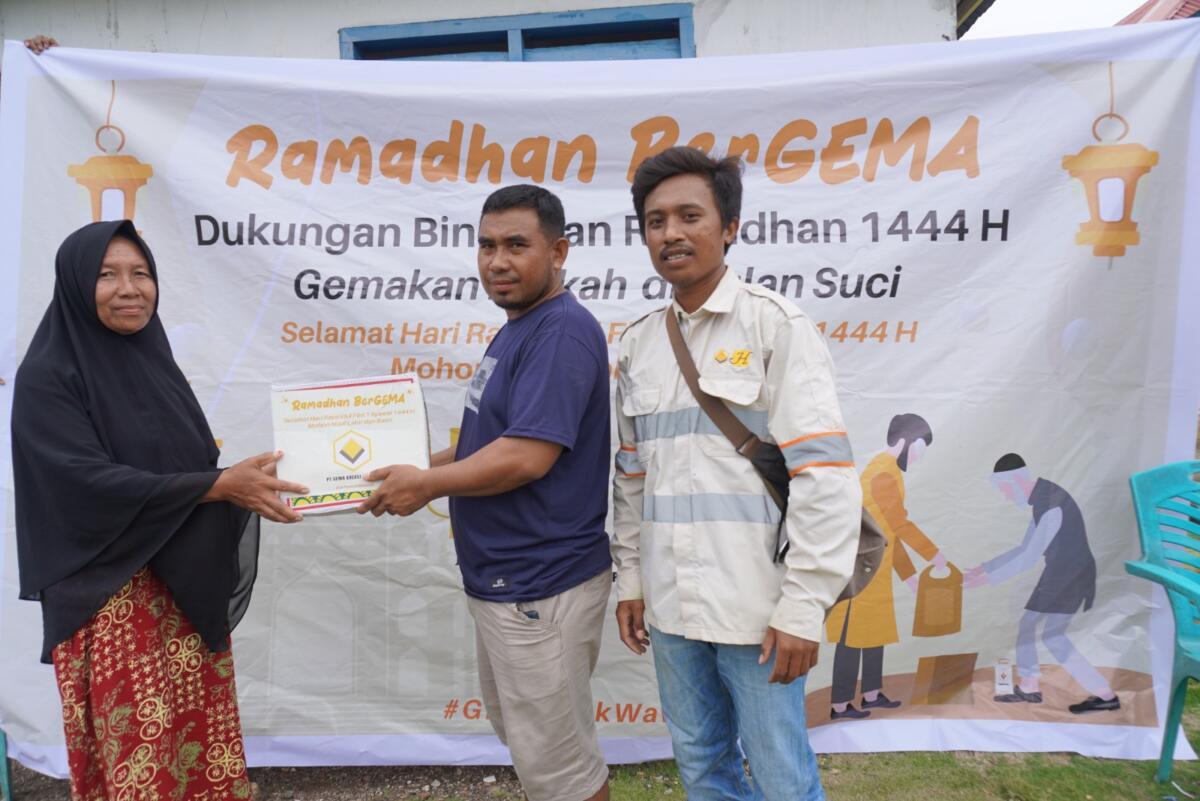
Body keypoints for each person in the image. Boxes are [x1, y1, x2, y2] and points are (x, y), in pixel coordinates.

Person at [12, 220, 306, 801]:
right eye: (107, 275)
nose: (129, 288)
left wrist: (239, 480)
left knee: (197, 743)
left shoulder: (155, 364)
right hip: (108, 597)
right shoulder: (48, 375)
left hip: (180, 589)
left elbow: (189, 466)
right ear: (75, 284)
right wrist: (217, 486)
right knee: (139, 756)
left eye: (141, 273)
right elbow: (82, 483)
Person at [611, 146, 861, 801]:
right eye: (656, 221)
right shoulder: (638, 344)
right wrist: (632, 580)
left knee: (781, 774)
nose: (671, 233)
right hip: (671, 605)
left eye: (689, 215)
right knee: (701, 764)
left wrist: (803, 608)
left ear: (729, 227)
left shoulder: (775, 326)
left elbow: (825, 476)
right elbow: (631, 479)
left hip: (758, 607)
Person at [357, 185, 612, 801]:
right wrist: (413, 467)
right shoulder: (522, 327)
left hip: (540, 585)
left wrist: (424, 484)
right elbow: (494, 442)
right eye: (487, 245)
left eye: (516, 245)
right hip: (510, 581)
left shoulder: (559, 333)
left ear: (559, 252)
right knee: (537, 749)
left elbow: (525, 457)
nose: (497, 261)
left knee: (562, 769)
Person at [964, 453, 1119, 713]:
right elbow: (1025, 547)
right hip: (1060, 573)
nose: (1005, 496)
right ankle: (1029, 687)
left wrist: (986, 580)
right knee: (1029, 625)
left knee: (1053, 637)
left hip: (1070, 576)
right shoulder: (1043, 500)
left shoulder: (1051, 504)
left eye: (1004, 489)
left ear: (1016, 480)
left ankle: (1105, 695)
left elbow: (1029, 557)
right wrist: (984, 568)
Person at [825, 413, 948, 720]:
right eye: (919, 448)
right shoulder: (882, 473)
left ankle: (871, 694)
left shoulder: (889, 471)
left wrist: (908, 575)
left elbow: (888, 533)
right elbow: (900, 525)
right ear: (905, 441)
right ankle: (840, 704)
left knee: (874, 634)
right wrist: (933, 555)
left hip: (876, 569)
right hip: (860, 569)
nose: (919, 456)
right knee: (851, 639)